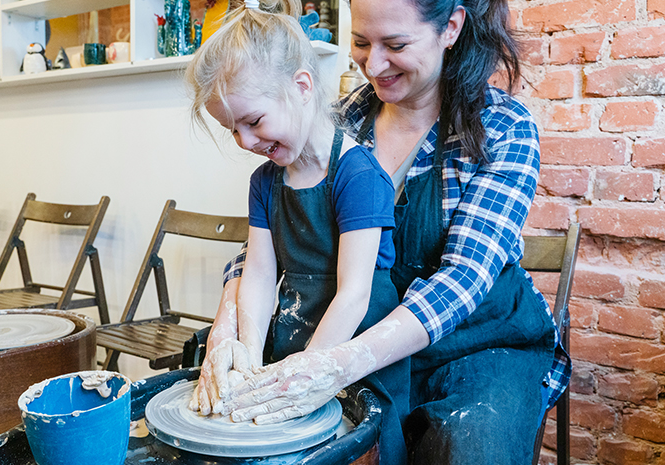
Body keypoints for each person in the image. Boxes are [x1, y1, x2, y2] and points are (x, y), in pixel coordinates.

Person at [187, 0, 573, 463]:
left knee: (468, 448)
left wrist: (334, 365)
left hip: (473, 343)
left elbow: (462, 281)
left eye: (395, 45)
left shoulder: (502, 128)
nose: (372, 64)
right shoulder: (342, 120)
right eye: (361, 42)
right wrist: (225, 335)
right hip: (354, 333)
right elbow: (265, 247)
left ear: (450, 28)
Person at [183, 0, 410, 463]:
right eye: (232, 131)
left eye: (253, 121)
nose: (245, 142)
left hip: (355, 354)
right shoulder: (264, 183)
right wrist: (246, 356)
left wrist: (310, 373)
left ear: (302, 87)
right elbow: (261, 277)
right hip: (292, 343)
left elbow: (354, 293)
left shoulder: (357, 174)